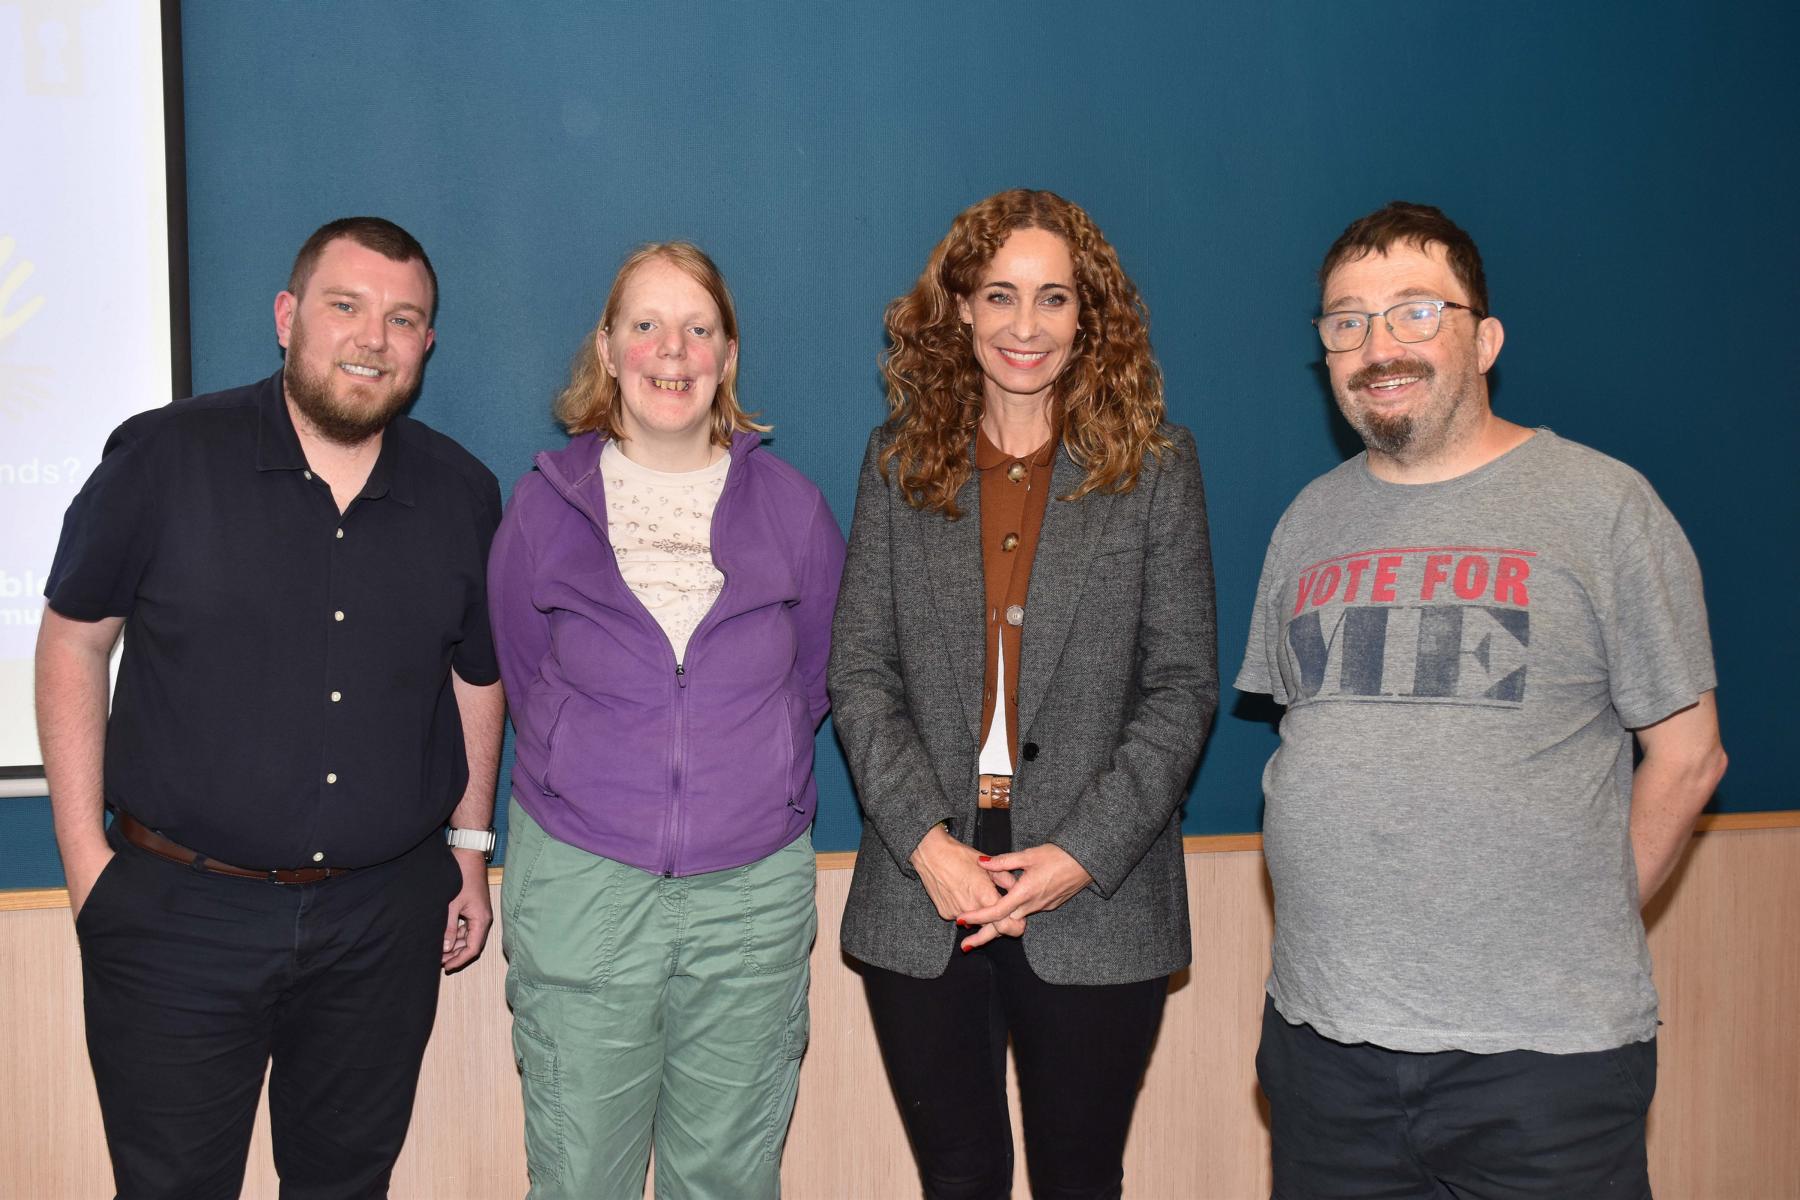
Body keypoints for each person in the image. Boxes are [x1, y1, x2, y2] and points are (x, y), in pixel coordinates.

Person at [1238, 201, 1728, 1197]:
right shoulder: (1308, 522)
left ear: (1486, 338)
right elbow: (1317, 743)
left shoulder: (1604, 506)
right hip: (1324, 1051)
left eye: (1417, 312)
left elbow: (1690, 755)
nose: (1379, 345)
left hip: (1540, 1066)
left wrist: (1570, 913)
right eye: (1347, 321)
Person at [35, 216, 505, 1198]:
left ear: (427, 345)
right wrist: (87, 864)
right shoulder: (162, 459)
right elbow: (73, 640)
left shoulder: (462, 494)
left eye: (403, 318)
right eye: (346, 307)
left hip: (381, 924)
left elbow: (477, 675)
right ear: (288, 316)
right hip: (174, 916)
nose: (373, 337)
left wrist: (469, 850)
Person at [829, 188, 1217, 1200]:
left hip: (1097, 895)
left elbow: (1181, 691)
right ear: (959, 306)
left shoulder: (1157, 470)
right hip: (928, 888)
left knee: (1079, 1179)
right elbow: (859, 672)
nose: (1025, 326)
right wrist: (925, 843)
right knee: (958, 1176)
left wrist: (1081, 857)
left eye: (1052, 298)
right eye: (999, 296)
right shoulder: (895, 464)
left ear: (1088, 315)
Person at [489, 241, 845, 1199]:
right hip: (583, 886)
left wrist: (741, 776)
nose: (671, 349)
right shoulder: (542, 509)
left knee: (728, 1181)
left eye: (697, 327)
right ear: (607, 350)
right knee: (579, 1181)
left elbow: (813, 683)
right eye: (644, 324)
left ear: (728, 355)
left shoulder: (795, 511)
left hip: (751, 896)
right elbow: (526, 680)